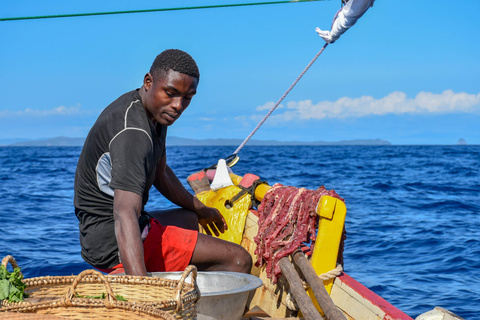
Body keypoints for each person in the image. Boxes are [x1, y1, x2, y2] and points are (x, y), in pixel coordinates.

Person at [74, 49, 252, 276]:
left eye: (187, 97)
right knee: (238, 260)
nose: (178, 105)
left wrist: (201, 209)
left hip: (102, 232)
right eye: (171, 93)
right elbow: (125, 212)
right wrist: (141, 286)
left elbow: (161, 173)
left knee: (191, 219)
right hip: (110, 242)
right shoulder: (134, 133)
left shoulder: (154, 113)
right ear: (148, 82)